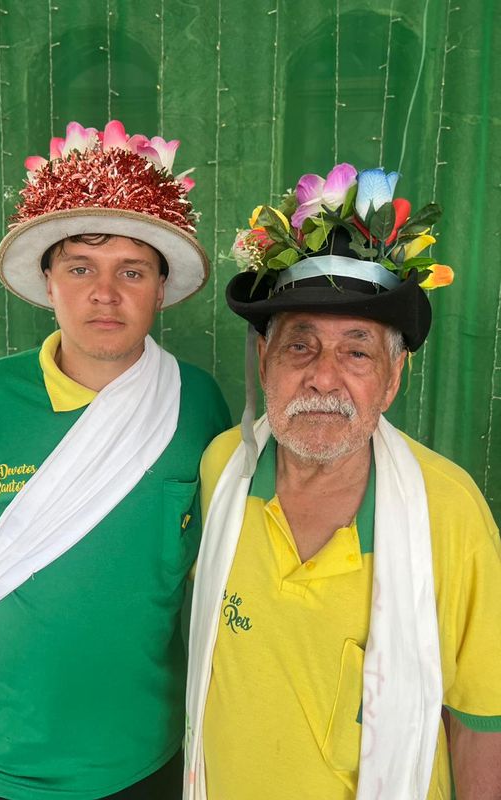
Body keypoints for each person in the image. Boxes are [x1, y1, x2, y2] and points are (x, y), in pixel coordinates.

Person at [0, 119, 230, 800]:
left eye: (131, 272)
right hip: (7, 762)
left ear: (160, 289)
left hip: (152, 759)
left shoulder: (196, 403)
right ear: (48, 282)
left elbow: (215, 572)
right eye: (80, 268)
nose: (103, 294)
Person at [185, 164, 501, 799]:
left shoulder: (448, 508)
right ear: (265, 361)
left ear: (392, 377)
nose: (324, 378)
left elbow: (480, 721)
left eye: (356, 351)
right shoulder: (224, 468)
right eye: (301, 346)